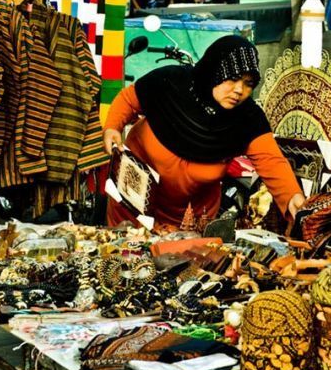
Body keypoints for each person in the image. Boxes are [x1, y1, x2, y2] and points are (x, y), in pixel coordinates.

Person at [103, 35, 306, 232]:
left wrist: (292, 196)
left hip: (189, 219)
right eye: (233, 79)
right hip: (132, 200)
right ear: (213, 71)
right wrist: (113, 127)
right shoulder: (169, 82)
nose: (239, 90)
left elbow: (271, 160)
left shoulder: (248, 118)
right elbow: (129, 99)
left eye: (248, 83)